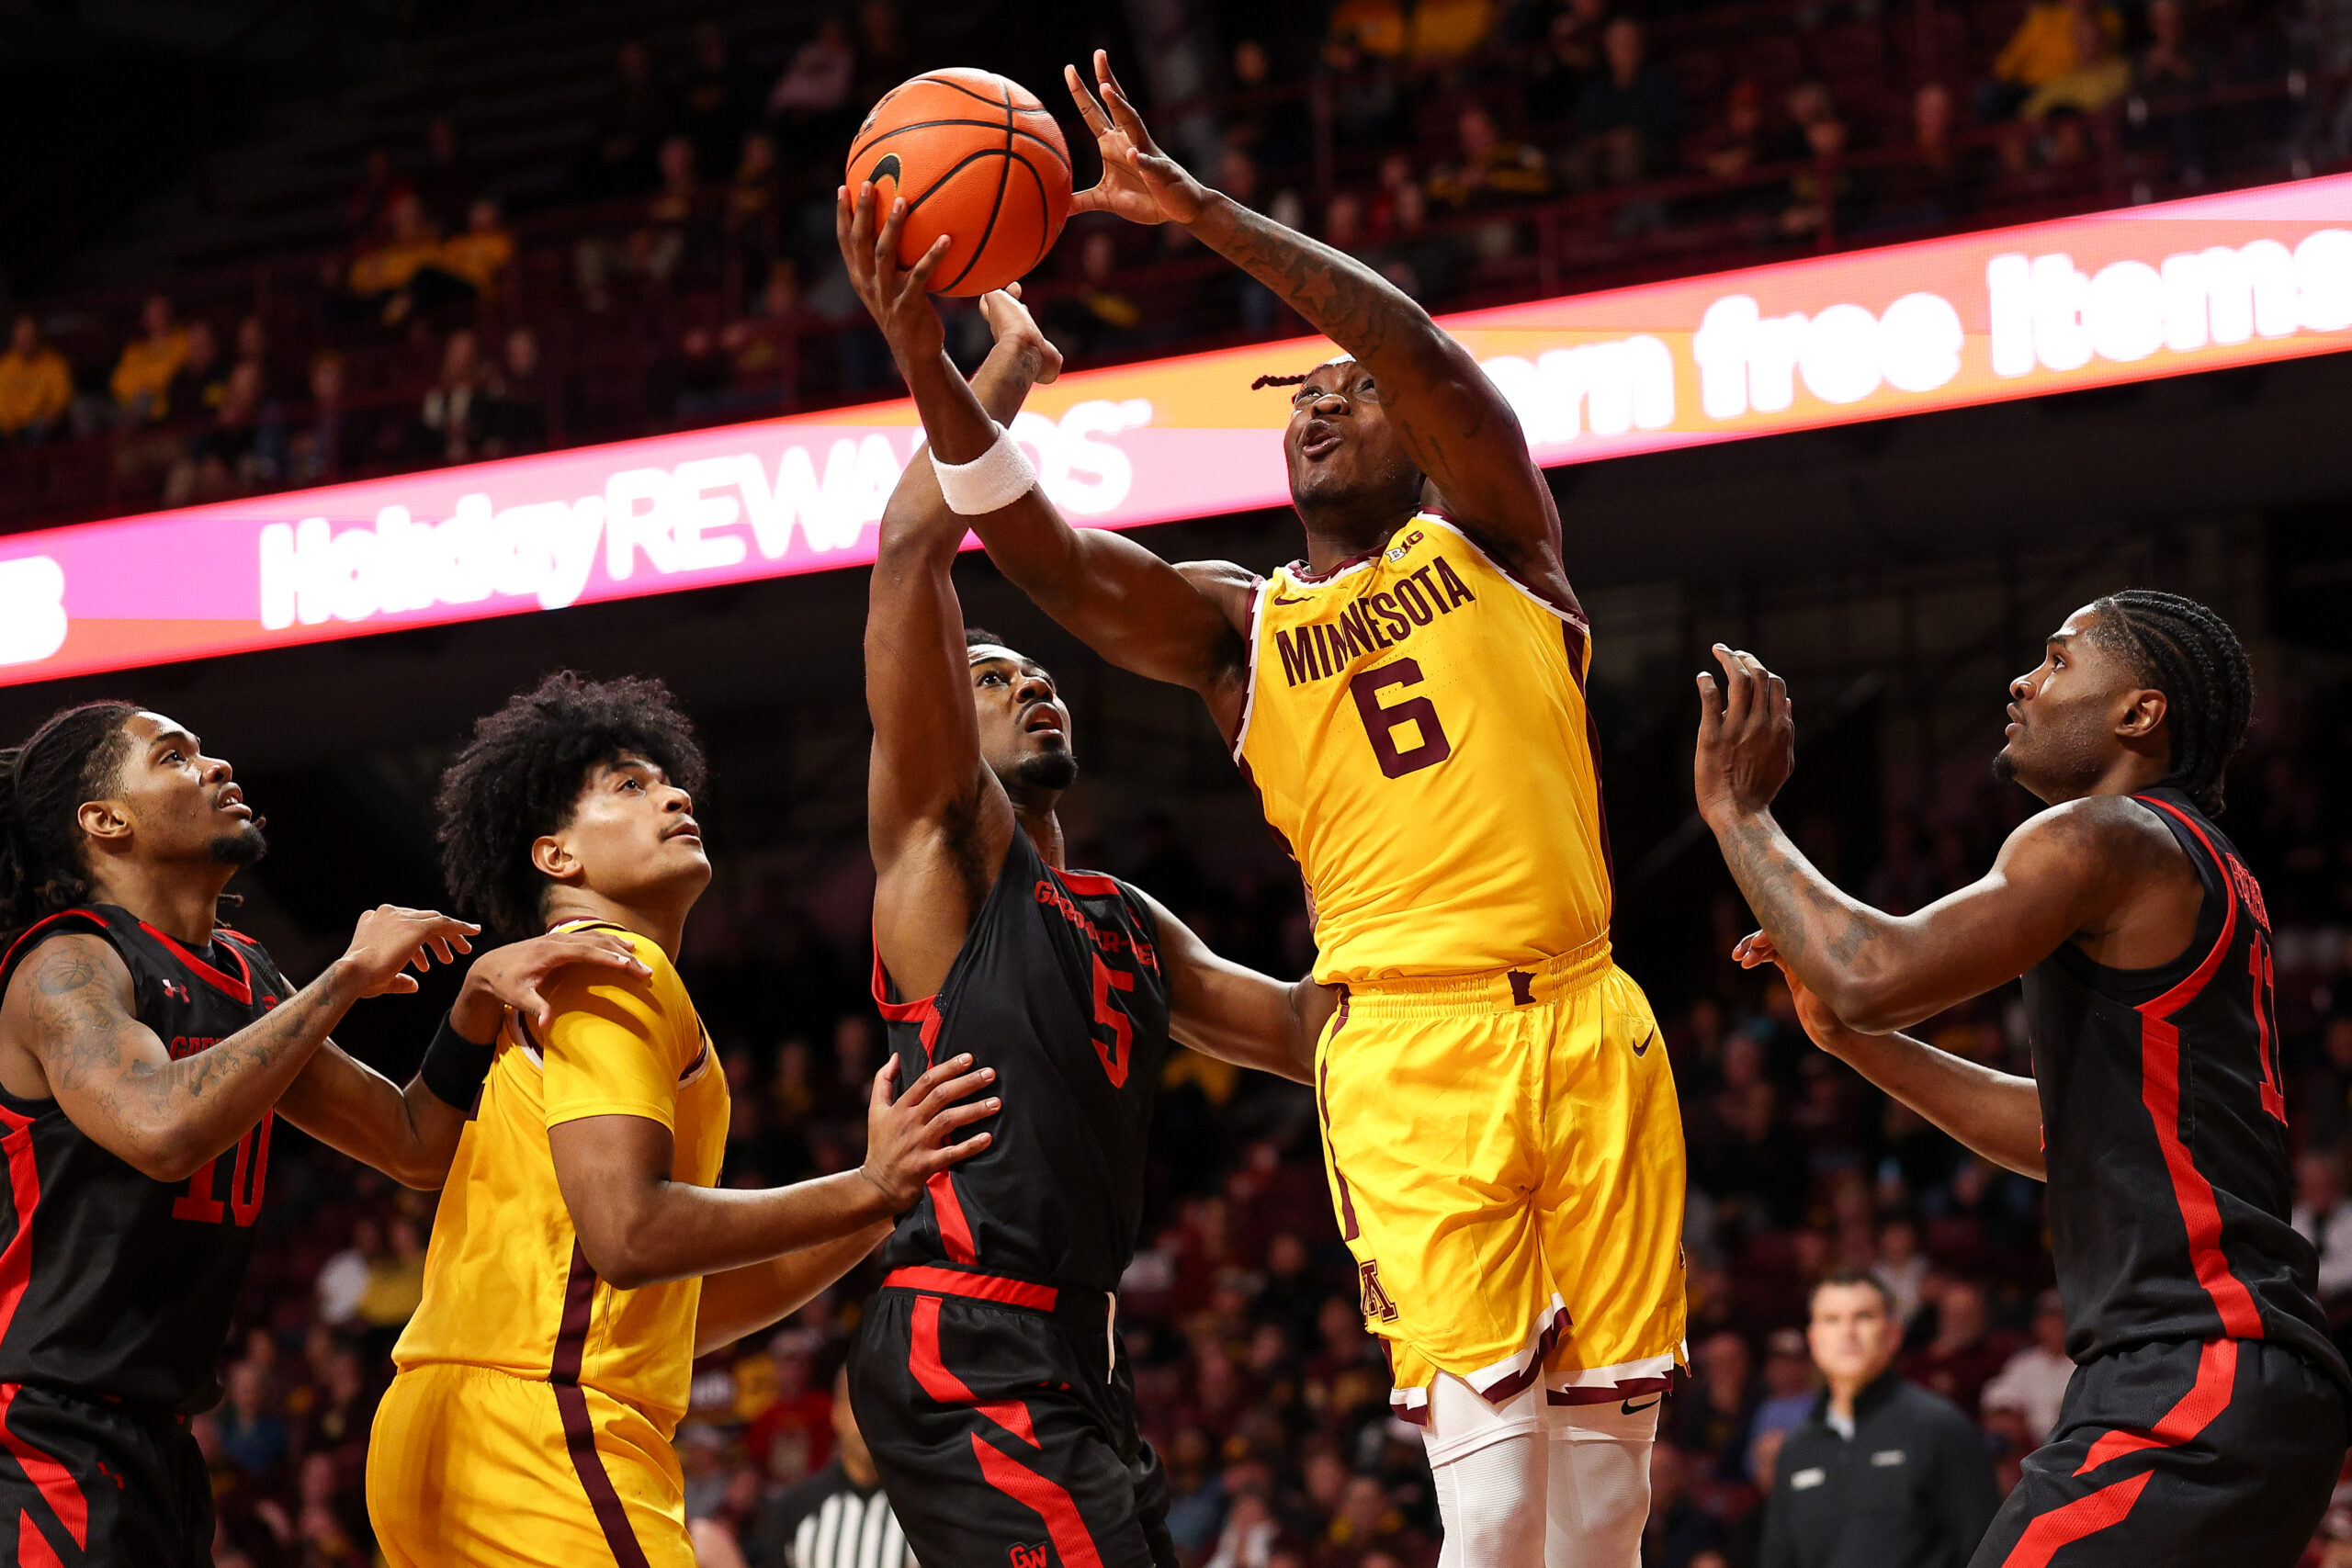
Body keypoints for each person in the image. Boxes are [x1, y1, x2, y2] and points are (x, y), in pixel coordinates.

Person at [906, 51, 1690, 1563]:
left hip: (1593, 1023)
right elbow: (1044, 555)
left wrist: (1205, 216)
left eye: (1353, 393)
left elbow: (1423, 354)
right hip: (1406, 1045)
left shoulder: (1498, 543)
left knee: (1602, 1507)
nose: (1328, 401)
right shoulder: (1233, 627)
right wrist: (921, 353)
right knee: (1495, 1494)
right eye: (1302, 396)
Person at [832, 216, 1335, 1566]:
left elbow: (1302, 1029)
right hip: (970, 1335)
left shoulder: (1121, 915)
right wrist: (987, 369)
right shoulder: (943, 852)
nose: (1029, 683)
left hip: (1076, 1349)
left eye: (1037, 671)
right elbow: (908, 558)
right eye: (991, 678)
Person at [1695, 590, 2352, 1567]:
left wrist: (1737, 811)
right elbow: (2064, 1135)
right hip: (2231, 1376)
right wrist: (1852, 1044)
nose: (2020, 680)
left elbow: (1871, 971)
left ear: (2139, 711)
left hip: (2193, 1369)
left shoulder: (2106, 835)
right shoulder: (2196, 867)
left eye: (2056, 660)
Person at [367, 673, 994, 1567]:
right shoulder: (612, 968)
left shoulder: (564, 987)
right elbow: (630, 1234)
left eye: (667, 779)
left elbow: (668, 1314)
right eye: (628, 784)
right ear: (556, 858)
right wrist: (865, 1183)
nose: (673, 792)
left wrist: (876, 1203)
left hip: (457, 1423)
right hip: (542, 1430)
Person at [0, 701, 632, 1562]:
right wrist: (342, 977)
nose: (216, 764)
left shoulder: (244, 973)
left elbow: (413, 1144)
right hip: (40, 1429)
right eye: (175, 757)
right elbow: (158, 1127)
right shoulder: (65, 965)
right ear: (106, 820)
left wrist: (475, 1003)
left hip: (160, 1437)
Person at [1758, 1269, 2001, 1568]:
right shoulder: (1797, 1449)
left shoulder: (1942, 1427)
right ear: (1814, 1340)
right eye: (1832, 1320)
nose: (1847, 1332)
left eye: (1863, 1317)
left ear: (1893, 1334)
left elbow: (1987, 1550)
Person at [752, 1366, 915, 1568]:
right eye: (855, 1400)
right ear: (835, 1413)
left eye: (881, 1401)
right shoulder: (793, 1509)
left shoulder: (928, 1505)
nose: (868, 1415)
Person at [0, 314, 72, 443]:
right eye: (21, 338)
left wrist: (50, 416)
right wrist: (10, 426)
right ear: (13, 339)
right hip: (9, 430)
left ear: (37, 337)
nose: (25, 343)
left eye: (29, 338)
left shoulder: (54, 363)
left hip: (41, 426)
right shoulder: (4, 366)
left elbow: (61, 399)